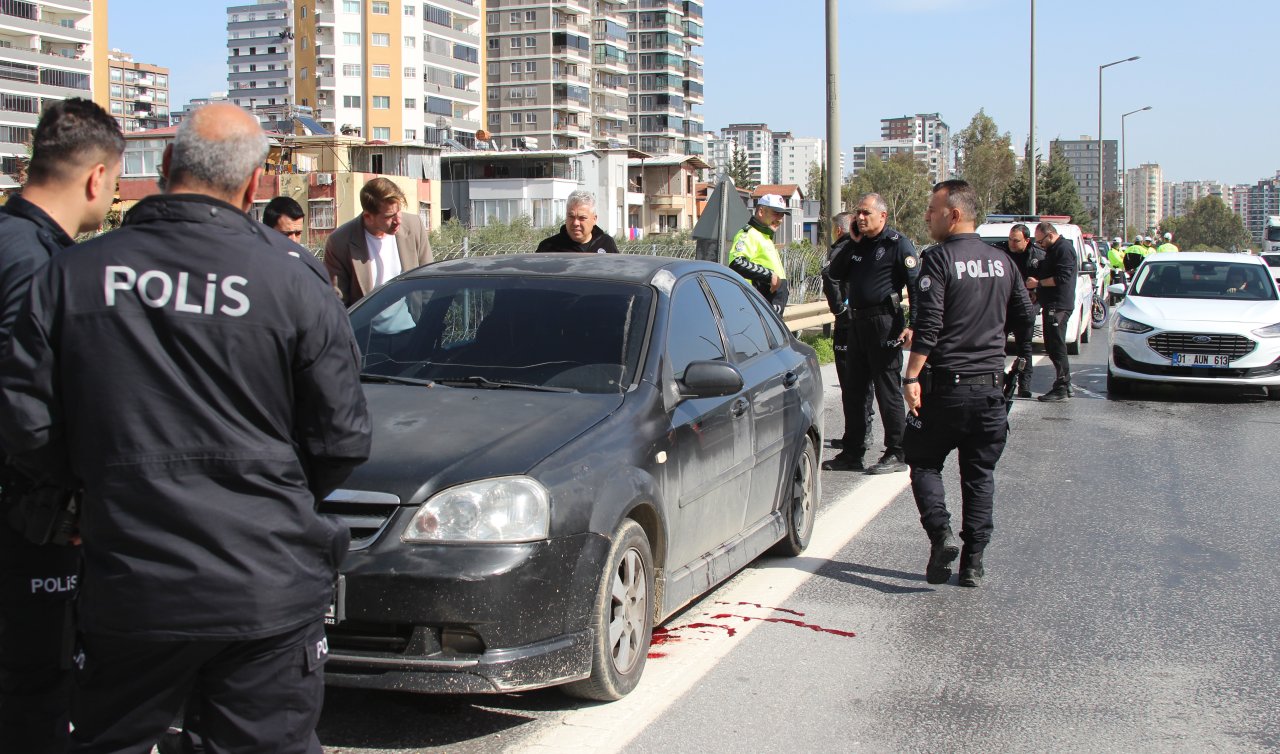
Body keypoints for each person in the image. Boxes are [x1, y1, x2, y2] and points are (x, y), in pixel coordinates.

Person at [0, 102, 372, 752]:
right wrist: (269, 496)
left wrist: (99, 489)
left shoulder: (71, 275)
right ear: (253, 186)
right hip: (265, 584)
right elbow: (340, 438)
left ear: (166, 165)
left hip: (131, 583)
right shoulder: (294, 280)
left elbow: (26, 425)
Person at [0, 98, 123, 754]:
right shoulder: (43, 266)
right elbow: (24, 403)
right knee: (36, 689)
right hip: (26, 518)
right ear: (98, 178)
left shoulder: (9, 242)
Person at [903, 179, 1035, 588]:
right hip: (991, 388)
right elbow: (1026, 316)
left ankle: (941, 535)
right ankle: (974, 563)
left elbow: (929, 325)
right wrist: (998, 343)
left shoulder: (939, 260)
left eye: (933, 210)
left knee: (923, 461)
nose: (928, 216)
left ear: (954, 214)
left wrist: (910, 376)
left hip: (945, 387)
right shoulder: (1003, 262)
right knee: (979, 475)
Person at [823, 193, 919, 474]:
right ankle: (852, 452)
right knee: (853, 390)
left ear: (883, 216)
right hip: (857, 324)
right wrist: (851, 242)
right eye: (858, 213)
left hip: (885, 323)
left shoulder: (898, 245)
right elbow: (835, 273)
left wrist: (914, 324)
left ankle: (897, 451)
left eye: (866, 213)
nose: (860, 218)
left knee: (887, 389)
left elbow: (915, 288)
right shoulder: (858, 245)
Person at [324, 176, 433, 306]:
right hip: (364, 325)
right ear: (368, 217)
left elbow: (429, 282)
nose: (398, 220)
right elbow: (338, 302)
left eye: (398, 211)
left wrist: (428, 321)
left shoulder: (414, 226)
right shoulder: (340, 241)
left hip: (413, 324)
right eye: (389, 216)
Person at [821, 212, 875, 452]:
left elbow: (829, 277)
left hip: (847, 324)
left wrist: (839, 311)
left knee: (851, 382)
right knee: (866, 381)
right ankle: (865, 430)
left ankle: (857, 434)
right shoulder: (866, 249)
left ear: (839, 230)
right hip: (865, 321)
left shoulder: (842, 251)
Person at [1027, 221, 1078, 402]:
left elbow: (1062, 278)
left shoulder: (1064, 249)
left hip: (1059, 305)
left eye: (1041, 242)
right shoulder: (1053, 249)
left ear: (1050, 235)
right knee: (1051, 345)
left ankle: (1062, 386)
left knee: (1056, 346)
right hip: (1051, 303)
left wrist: (1038, 284)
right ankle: (1065, 384)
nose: (1039, 245)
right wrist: (1038, 293)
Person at [996, 224, 1045, 398]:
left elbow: (1045, 284)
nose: (1012, 243)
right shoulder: (1001, 252)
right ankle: (997, 382)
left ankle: (1024, 385)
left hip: (1025, 309)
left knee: (1024, 348)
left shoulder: (1038, 256)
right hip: (1004, 307)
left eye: (1016, 240)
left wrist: (1035, 292)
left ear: (1027, 240)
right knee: (998, 346)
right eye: (1010, 239)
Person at [728, 193, 790, 312]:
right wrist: (769, 275)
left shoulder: (765, 236)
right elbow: (736, 263)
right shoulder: (748, 234)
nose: (780, 220)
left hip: (770, 310)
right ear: (761, 211)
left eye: (782, 215)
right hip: (756, 310)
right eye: (776, 214)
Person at [535, 190, 619, 254]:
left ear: (594, 219)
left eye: (582, 218)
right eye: (571, 216)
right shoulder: (548, 247)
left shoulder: (606, 244)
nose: (575, 223)